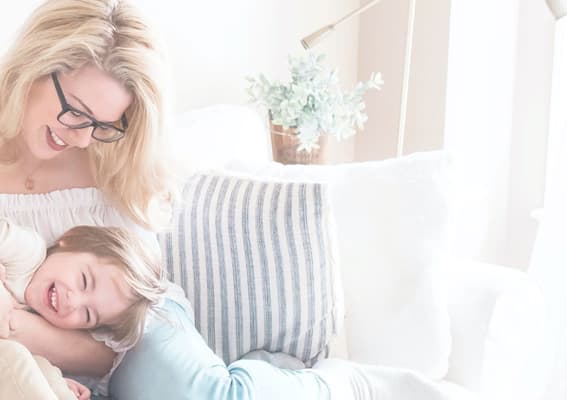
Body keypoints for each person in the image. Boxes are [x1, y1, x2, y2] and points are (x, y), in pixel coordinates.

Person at [0, 1, 449, 399]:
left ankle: (342, 386)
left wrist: (19, 329)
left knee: (203, 394)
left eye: (102, 125)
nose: (81, 137)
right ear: (36, 64)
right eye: (76, 111)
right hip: (36, 358)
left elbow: (118, 342)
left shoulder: (114, 163)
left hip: (133, 325)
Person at [0, 219, 166, 399]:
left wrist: (59, 383)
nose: (73, 302)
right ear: (70, 241)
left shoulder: (38, 320)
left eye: (87, 315)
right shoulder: (27, 252)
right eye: (84, 281)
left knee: (49, 378)